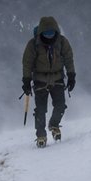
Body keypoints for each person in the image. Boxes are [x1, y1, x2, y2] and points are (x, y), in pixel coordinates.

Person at [22, 16, 76, 147]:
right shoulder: (33, 44)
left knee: (61, 105)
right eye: (46, 33)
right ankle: (41, 135)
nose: (49, 36)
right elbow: (27, 63)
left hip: (57, 78)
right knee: (40, 110)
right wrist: (26, 80)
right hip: (40, 80)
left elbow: (69, 58)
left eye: (51, 33)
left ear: (56, 31)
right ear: (41, 32)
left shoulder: (62, 42)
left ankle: (54, 124)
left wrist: (71, 75)